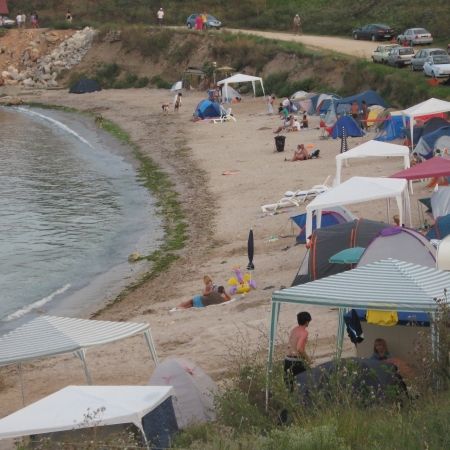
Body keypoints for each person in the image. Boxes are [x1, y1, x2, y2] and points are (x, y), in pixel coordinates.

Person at [284, 311, 312, 390]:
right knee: (307, 381)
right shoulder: (304, 332)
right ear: (307, 322)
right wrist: (308, 359)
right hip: (296, 361)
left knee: (289, 387)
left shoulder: (294, 330)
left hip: (287, 360)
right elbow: (299, 348)